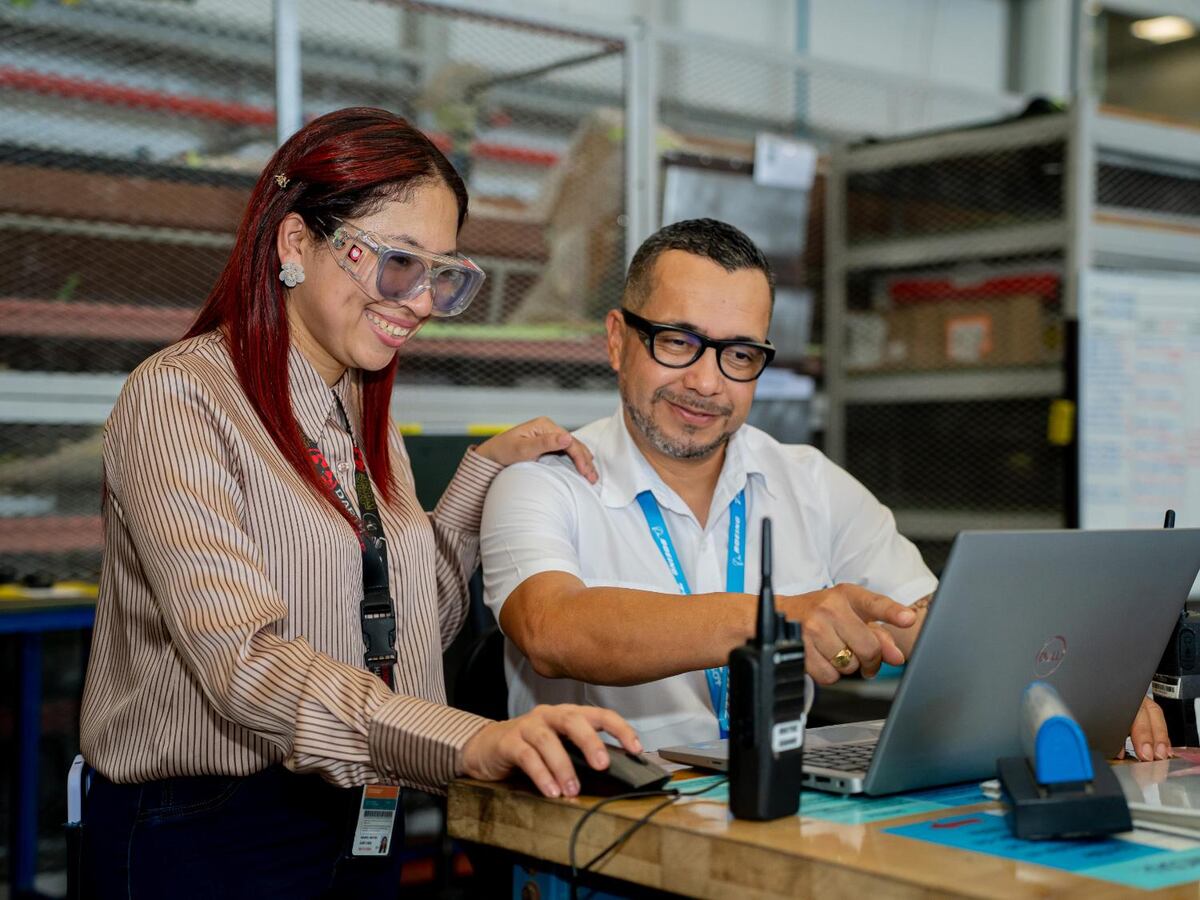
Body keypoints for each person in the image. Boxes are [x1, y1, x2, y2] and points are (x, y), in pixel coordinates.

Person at [78, 107, 639, 898]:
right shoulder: (180, 397)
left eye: (443, 274)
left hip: (358, 808)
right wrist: (465, 742)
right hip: (213, 828)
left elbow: (411, 629)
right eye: (397, 262)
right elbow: (244, 665)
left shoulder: (358, 408)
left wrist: (481, 477)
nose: (418, 301)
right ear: (295, 244)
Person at [480, 218, 1170, 760]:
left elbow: (932, 621)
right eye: (678, 342)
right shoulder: (543, 483)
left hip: (779, 817)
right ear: (616, 340)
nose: (707, 381)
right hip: (593, 834)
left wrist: (1069, 688)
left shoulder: (807, 483)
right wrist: (775, 621)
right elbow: (555, 630)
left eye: (740, 354)